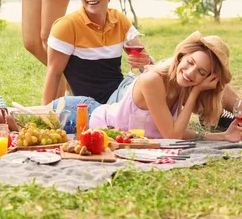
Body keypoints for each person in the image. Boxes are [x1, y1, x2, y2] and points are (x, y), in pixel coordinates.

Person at [44, 0, 241, 134]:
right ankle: (217, 114)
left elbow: (144, 59)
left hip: (123, 89)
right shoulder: (66, 26)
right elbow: (54, 73)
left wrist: (146, 62)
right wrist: (47, 114)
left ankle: (235, 110)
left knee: (194, 69)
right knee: (186, 74)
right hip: (103, 105)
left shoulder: (118, 20)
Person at [86, 32, 241, 142]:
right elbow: (172, 136)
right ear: (181, 56)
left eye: (201, 72)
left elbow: (176, 131)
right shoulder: (152, 81)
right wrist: (195, 92)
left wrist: (223, 136)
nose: (190, 73)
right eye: (190, 62)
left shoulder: (181, 84)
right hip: (90, 117)